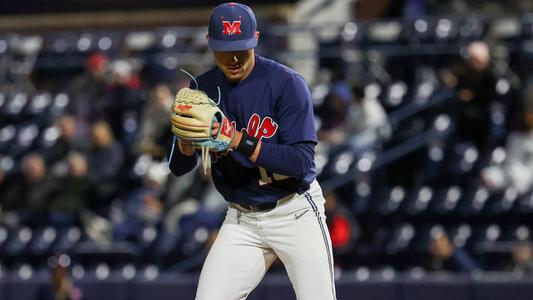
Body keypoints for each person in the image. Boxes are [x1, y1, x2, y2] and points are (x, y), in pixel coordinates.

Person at [168, 3, 336, 299]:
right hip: (242, 220)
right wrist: (184, 144)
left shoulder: (287, 84)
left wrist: (237, 140)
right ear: (209, 43)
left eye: (241, 49)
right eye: (224, 49)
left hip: (294, 212)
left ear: (256, 39)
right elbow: (178, 167)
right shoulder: (202, 90)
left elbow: (301, 162)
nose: (233, 58)